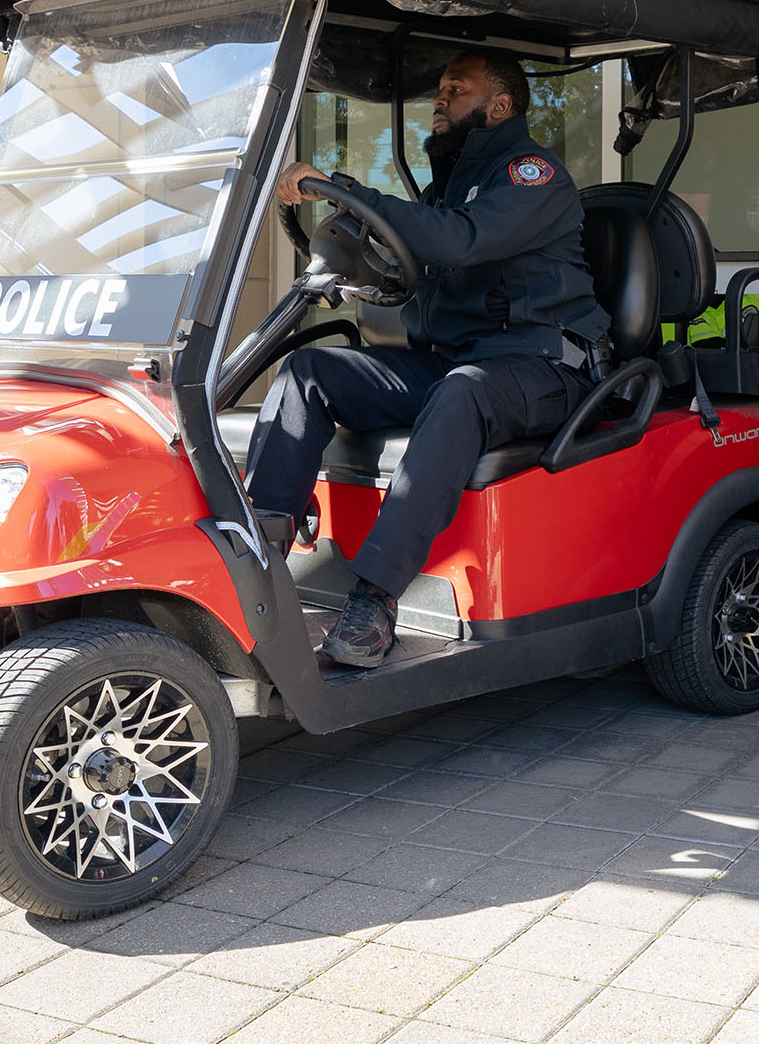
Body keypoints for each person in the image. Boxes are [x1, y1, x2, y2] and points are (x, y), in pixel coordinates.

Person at [250, 52, 612, 667]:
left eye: (456, 89)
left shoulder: (532, 176)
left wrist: (348, 190)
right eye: (439, 88)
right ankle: (257, 562)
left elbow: (459, 241)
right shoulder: (447, 188)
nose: (439, 99)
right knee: (312, 372)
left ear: (499, 107)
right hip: (461, 365)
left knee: (462, 390)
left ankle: (375, 600)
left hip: (544, 366)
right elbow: (424, 254)